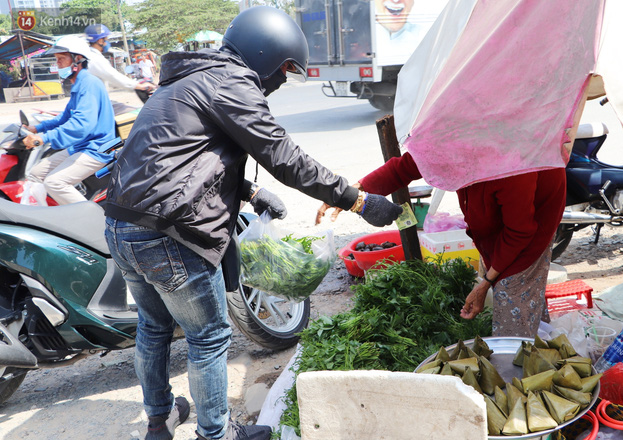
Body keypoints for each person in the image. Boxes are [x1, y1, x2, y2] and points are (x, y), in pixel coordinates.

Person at [103, 6, 402, 440]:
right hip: (168, 235)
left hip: (122, 226)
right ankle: (217, 433)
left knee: (154, 327)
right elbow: (284, 157)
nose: (280, 83)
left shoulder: (189, 80)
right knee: (208, 337)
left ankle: (159, 419)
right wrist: (356, 200)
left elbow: (181, 160)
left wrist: (248, 192)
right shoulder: (230, 82)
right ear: (267, 55)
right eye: (283, 71)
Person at [317, 151, 566, 338]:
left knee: (514, 287)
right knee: (505, 279)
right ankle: (537, 331)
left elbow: (520, 232)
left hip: (533, 220)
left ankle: (522, 365)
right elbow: (402, 168)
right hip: (506, 216)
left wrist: (486, 283)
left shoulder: (510, 167)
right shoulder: (447, 145)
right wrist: (351, 193)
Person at [23, 35, 117, 205]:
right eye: (56, 59)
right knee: (35, 174)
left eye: (62, 58)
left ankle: (92, 222)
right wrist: (37, 129)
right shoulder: (78, 85)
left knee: (54, 182)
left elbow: (81, 124)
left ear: (78, 59)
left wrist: (44, 138)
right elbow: (65, 117)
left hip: (97, 148)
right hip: (81, 146)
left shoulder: (89, 84)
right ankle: (49, 217)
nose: (57, 63)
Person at [84, 24, 155, 93]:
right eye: (106, 39)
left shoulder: (88, 55)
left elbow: (110, 80)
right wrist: (140, 86)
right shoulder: (97, 59)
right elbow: (114, 76)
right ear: (100, 41)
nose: (107, 42)